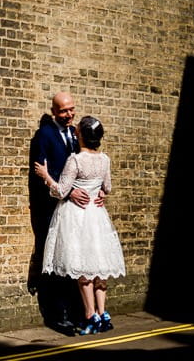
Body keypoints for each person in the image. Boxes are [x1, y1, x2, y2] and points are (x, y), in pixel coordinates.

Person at [34, 115, 126, 335]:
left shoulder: (75, 160)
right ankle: (103, 314)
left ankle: (89, 316)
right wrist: (100, 192)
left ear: (81, 135)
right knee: (99, 265)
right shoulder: (105, 159)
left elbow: (60, 191)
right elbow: (108, 187)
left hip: (77, 216)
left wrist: (46, 176)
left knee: (83, 267)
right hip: (97, 213)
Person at [27, 92, 101, 335]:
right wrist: (69, 194)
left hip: (76, 212)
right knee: (56, 263)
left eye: (72, 109)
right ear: (53, 111)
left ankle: (80, 313)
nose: (69, 115)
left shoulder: (75, 134)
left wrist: (99, 192)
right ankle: (59, 317)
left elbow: (85, 169)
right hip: (52, 211)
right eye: (63, 111)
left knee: (75, 260)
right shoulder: (43, 137)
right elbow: (41, 178)